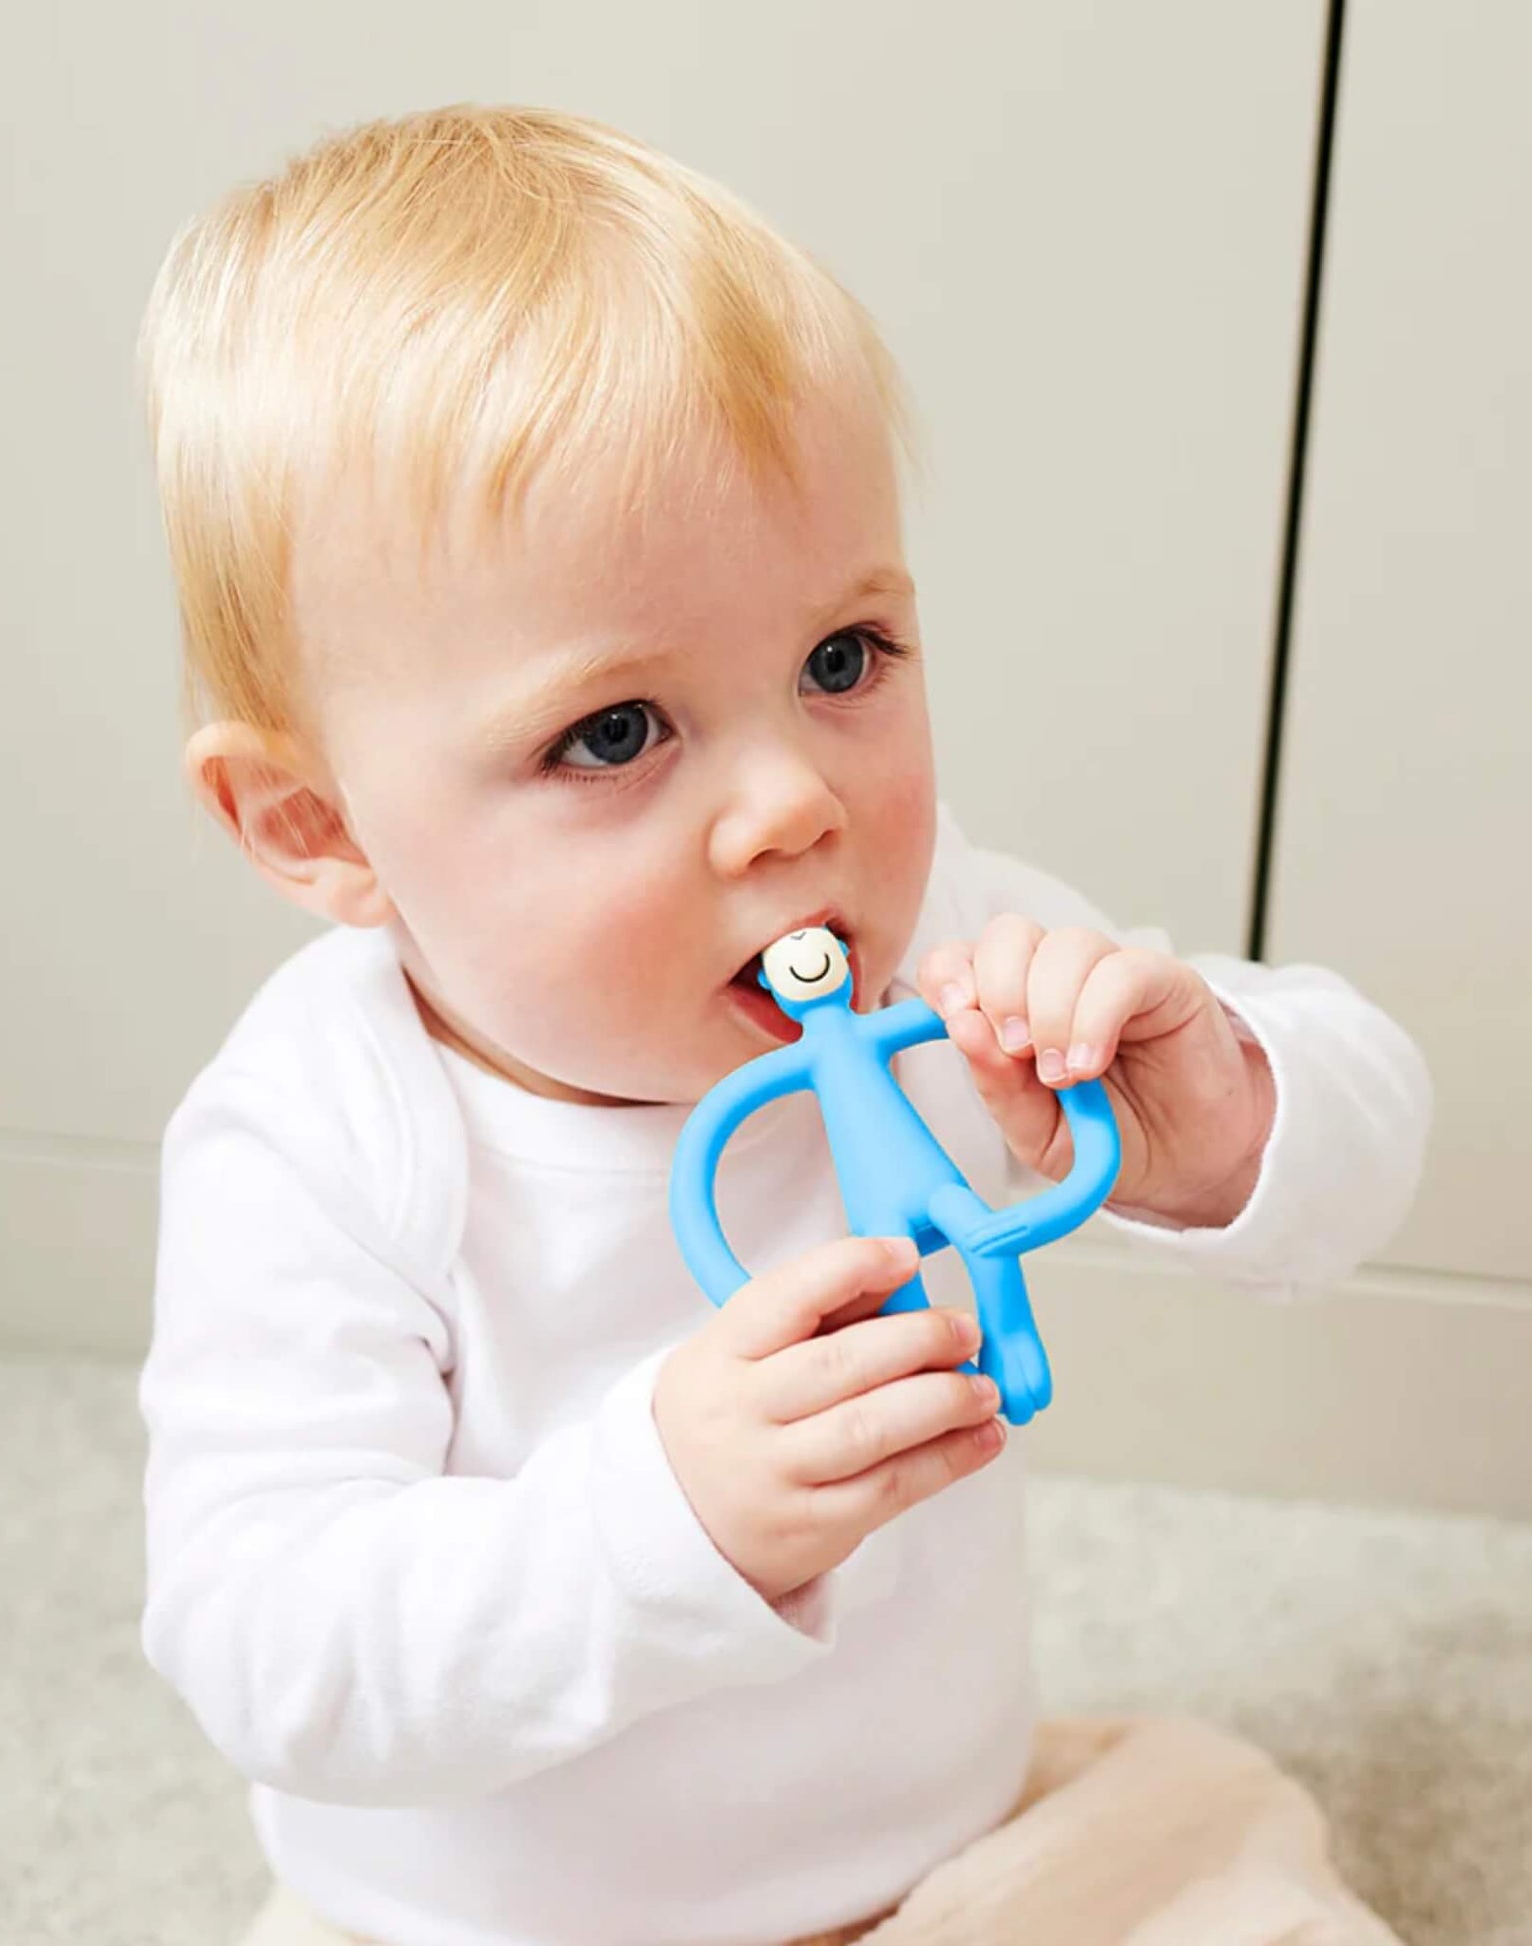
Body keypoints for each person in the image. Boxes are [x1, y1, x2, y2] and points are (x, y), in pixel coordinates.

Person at [136, 102, 1431, 1946]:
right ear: (320, 827)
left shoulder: (950, 948)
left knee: (1220, 1865)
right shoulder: (319, 1128)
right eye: (614, 732)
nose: (791, 809)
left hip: (942, 1856)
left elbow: (1368, 1133)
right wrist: (662, 1516)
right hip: (483, 1923)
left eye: (842, 664)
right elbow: (268, 1641)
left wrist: (1212, 1109)